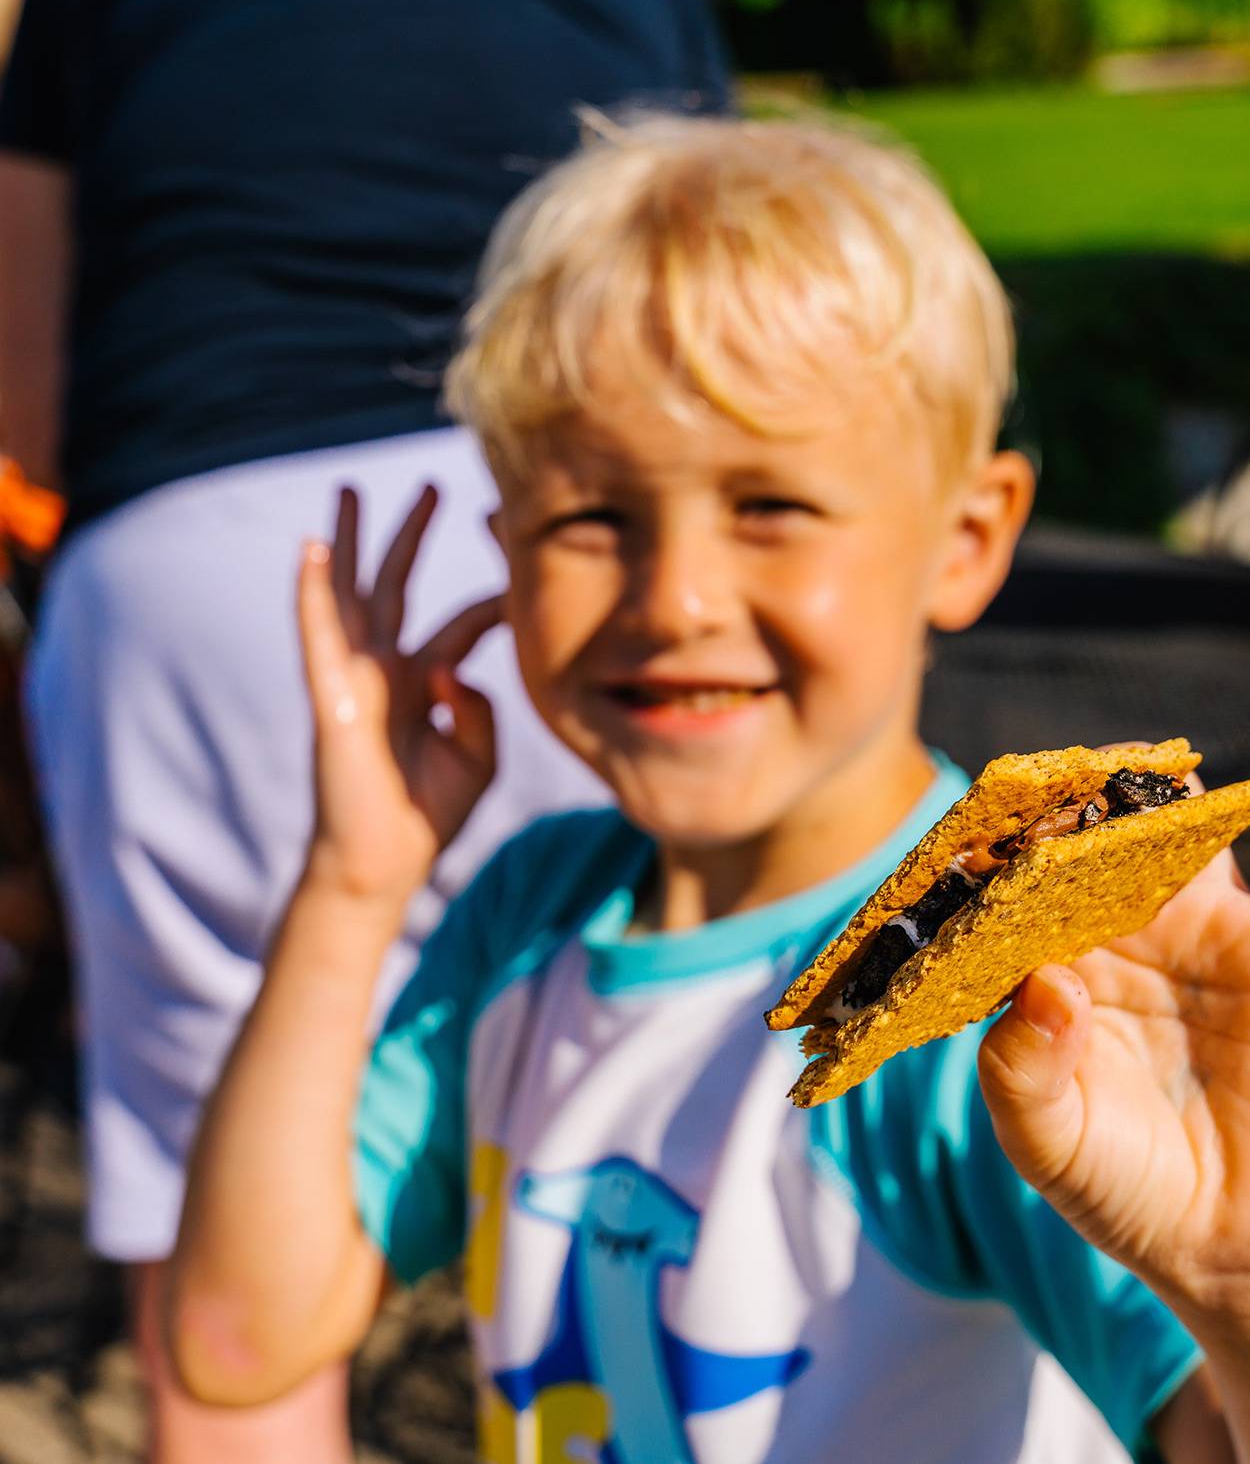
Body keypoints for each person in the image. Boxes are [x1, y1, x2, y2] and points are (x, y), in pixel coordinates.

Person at [167, 112, 1250, 1463]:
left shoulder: (988, 999)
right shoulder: (528, 916)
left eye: (770, 508)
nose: (673, 600)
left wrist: (1225, 1279)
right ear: (503, 548)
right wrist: (351, 885)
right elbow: (234, 1342)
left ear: (964, 542)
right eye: (588, 519)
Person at [0, 0, 730, 1458]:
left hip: (198, 551)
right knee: (666, 1183)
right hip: (579, 523)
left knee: (227, 1280)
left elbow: (26, 397)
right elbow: (714, 263)